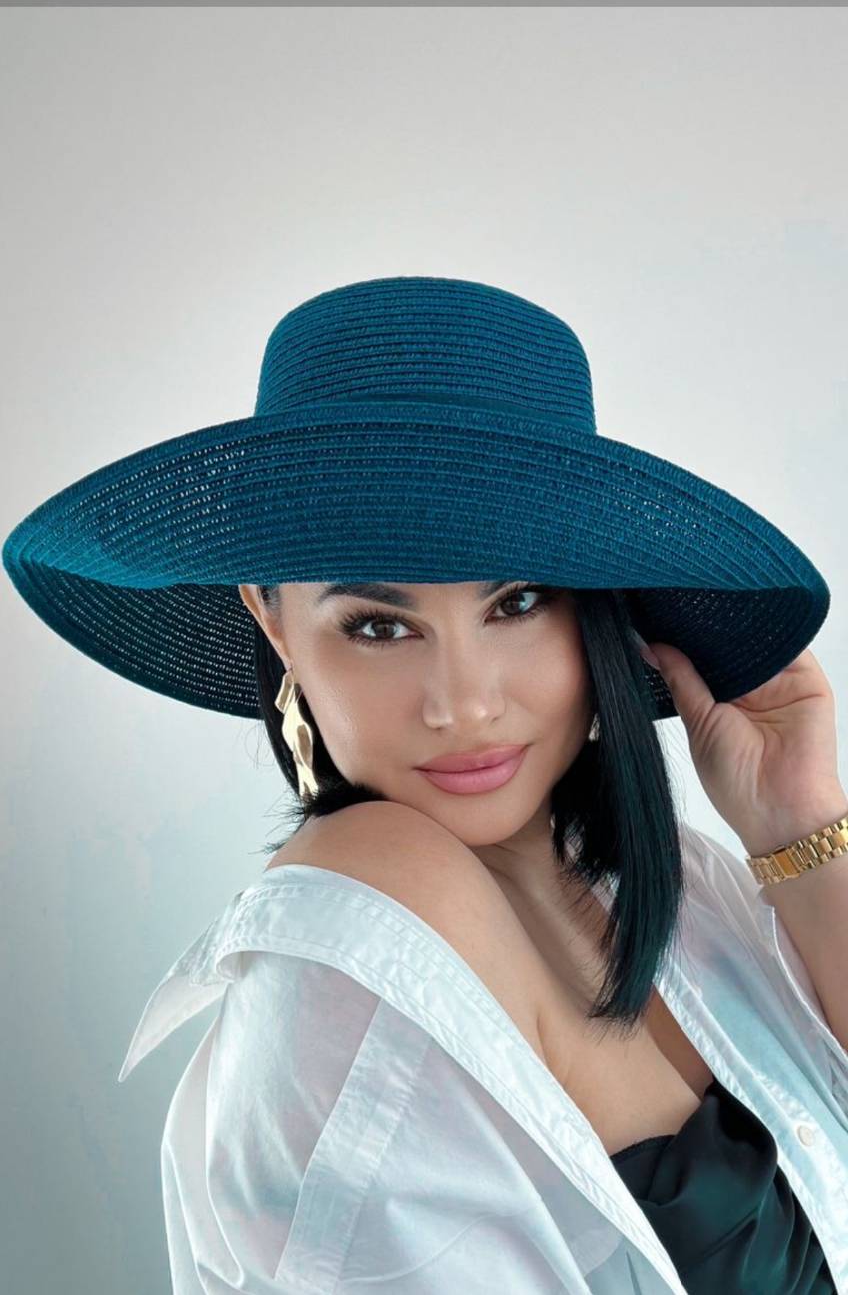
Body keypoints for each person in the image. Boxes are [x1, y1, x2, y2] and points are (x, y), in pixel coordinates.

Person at [4, 274, 847, 1293]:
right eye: (378, 624)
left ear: (593, 607)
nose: (465, 704)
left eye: (517, 602)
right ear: (273, 619)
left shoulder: (684, 881)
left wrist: (801, 826)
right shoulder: (370, 906)